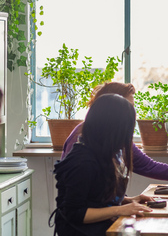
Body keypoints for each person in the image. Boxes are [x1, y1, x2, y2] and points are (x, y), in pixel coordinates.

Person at [62, 82, 168, 183]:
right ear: (107, 105)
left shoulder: (117, 137)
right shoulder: (81, 139)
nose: (132, 112)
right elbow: (78, 202)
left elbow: (149, 166)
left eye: (132, 106)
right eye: (128, 105)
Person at [52, 94, 153, 235]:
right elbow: (74, 213)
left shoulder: (104, 153)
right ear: (112, 129)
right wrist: (120, 210)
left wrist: (128, 201)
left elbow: (95, 197)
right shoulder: (82, 162)